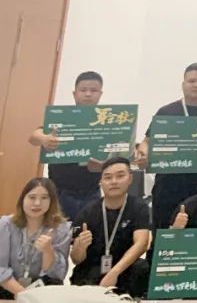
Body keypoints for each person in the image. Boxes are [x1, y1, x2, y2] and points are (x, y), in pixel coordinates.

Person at [135, 63, 197, 232]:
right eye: (192, 81)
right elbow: (146, 142)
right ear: (183, 84)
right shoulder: (166, 112)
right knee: (165, 236)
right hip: (169, 186)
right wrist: (143, 153)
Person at [27, 71, 107, 220]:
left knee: (89, 230)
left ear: (100, 94)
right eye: (83, 90)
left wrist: (104, 165)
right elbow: (33, 137)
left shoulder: (107, 122)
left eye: (93, 90)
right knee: (57, 229)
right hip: (59, 190)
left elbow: (116, 155)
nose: (88, 94)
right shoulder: (62, 116)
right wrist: (44, 138)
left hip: (92, 190)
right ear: (75, 94)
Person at [70, 157, 151, 297]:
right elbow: (76, 259)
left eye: (120, 176)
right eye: (108, 177)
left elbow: (141, 244)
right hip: (94, 267)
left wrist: (114, 272)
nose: (114, 181)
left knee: (142, 268)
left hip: (124, 266)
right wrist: (80, 247)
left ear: (130, 179)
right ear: (100, 182)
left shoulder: (139, 207)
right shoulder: (88, 211)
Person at [0, 179, 71, 298]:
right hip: (9, 286)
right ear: (22, 199)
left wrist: (48, 251)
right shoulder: (5, 225)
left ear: (51, 201)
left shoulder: (61, 229)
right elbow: (1, 268)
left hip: (43, 289)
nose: (37, 203)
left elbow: (57, 274)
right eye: (32, 197)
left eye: (44, 198)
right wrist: (26, 296)